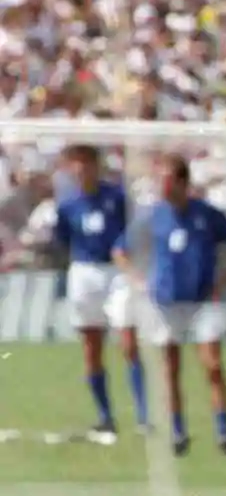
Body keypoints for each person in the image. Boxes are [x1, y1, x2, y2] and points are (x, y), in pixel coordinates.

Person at [114, 154, 226, 457]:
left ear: (182, 182)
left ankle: (224, 434)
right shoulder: (151, 216)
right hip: (165, 303)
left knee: (212, 365)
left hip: (202, 301)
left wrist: (224, 278)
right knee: (170, 371)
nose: (162, 186)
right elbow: (121, 250)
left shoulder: (207, 215)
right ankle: (178, 432)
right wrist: (139, 280)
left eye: (167, 179)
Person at [55, 144, 147, 440]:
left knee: (128, 341)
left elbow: (133, 231)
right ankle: (106, 417)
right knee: (91, 347)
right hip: (83, 271)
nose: (81, 170)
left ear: (96, 165)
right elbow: (62, 240)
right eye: (76, 164)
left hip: (115, 272)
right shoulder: (67, 205)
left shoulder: (117, 198)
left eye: (86, 163)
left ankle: (144, 417)